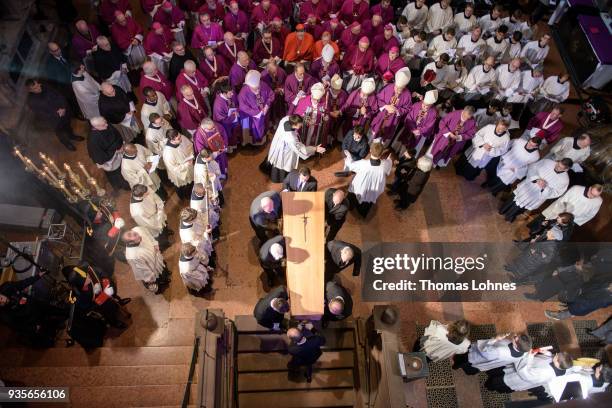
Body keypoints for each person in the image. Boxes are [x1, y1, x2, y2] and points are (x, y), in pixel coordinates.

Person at [499, 158, 572, 223]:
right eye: (558, 164)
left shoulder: (565, 180)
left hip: (536, 196)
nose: (556, 167)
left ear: (566, 169)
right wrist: (536, 178)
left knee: (522, 207)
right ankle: (503, 210)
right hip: (528, 186)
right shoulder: (547, 162)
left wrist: (545, 187)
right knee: (514, 197)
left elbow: (557, 193)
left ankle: (510, 216)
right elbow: (533, 167)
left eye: (560, 167)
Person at [62, 263, 129, 330]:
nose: (87, 279)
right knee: (107, 306)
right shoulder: (76, 292)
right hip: (97, 303)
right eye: (85, 282)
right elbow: (86, 306)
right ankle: (113, 322)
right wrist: (101, 296)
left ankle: (118, 302)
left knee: (111, 288)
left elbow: (102, 273)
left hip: (104, 289)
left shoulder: (86, 270)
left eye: (86, 278)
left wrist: (106, 284)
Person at [26, 79, 83, 151]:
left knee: (68, 126)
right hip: (54, 121)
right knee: (60, 133)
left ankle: (72, 136)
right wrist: (57, 113)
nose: (39, 88)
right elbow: (41, 114)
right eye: (35, 88)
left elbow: (59, 95)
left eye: (38, 85)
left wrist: (63, 107)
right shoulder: (31, 101)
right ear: (30, 91)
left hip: (64, 112)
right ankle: (67, 143)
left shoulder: (45, 86)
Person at [264, 115, 325, 182]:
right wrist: (315, 149)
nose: (300, 126)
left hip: (277, 144)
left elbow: (294, 117)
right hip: (285, 151)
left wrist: (304, 118)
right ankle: (280, 178)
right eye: (299, 126)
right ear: (294, 124)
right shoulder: (291, 138)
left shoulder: (285, 119)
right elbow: (302, 149)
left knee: (276, 160)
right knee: (283, 163)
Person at [486, 351, 574, 394]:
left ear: (558, 363)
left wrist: (530, 358)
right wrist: (547, 353)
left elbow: (524, 373)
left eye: (557, 355)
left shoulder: (545, 373)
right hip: (520, 370)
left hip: (517, 378)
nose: (555, 354)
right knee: (503, 372)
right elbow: (549, 358)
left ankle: (489, 386)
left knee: (498, 381)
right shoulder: (561, 366)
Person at [346, 142, 392, 218]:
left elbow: (351, 165)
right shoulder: (385, 164)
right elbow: (389, 163)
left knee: (353, 197)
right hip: (372, 190)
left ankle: (350, 207)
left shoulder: (362, 163)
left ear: (370, 150)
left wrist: (349, 157)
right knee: (367, 202)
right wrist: (389, 159)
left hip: (359, 188)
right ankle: (362, 213)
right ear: (381, 154)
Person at [453, 333, 532, 375]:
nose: (514, 336)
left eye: (515, 338)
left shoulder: (500, 351)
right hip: (490, 363)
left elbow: (484, 351)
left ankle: (455, 365)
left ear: (516, 345)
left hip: (475, 358)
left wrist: (496, 339)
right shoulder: (523, 353)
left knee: (462, 360)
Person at [123, 226, 170, 293]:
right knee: (159, 278)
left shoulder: (137, 229)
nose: (140, 236)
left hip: (156, 255)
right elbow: (142, 270)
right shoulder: (132, 256)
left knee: (163, 267)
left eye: (137, 234)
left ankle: (165, 275)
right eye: (138, 238)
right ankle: (162, 283)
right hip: (151, 268)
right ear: (131, 243)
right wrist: (150, 278)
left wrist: (154, 243)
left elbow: (148, 235)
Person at [370, 68, 412, 143]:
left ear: (404, 87)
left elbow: (408, 108)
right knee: (374, 134)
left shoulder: (407, 94)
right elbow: (378, 98)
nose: (398, 91)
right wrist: (385, 106)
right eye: (397, 88)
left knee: (384, 138)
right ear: (395, 83)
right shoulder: (388, 87)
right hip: (382, 116)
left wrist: (397, 110)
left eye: (401, 89)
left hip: (393, 120)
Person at [88, 116, 129, 190]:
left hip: (118, 151)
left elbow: (117, 134)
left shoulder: (106, 125)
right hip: (110, 160)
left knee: (123, 167)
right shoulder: (93, 140)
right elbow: (100, 157)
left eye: (105, 122)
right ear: (96, 127)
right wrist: (115, 151)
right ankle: (120, 185)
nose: (107, 125)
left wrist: (120, 146)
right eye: (104, 124)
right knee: (116, 174)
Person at [238, 70, 274, 145]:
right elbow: (242, 106)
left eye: (258, 87)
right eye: (254, 88)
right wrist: (256, 113)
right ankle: (251, 142)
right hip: (250, 116)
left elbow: (271, 94)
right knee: (249, 129)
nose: (257, 89)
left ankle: (262, 140)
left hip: (264, 112)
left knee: (263, 127)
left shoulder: (263, 85)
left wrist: (267, 105)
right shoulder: (243, 92)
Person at [129, 184, 169, 248]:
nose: (148, 193)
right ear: (140, 196)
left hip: (157, 213)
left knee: (165, 224)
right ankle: (165, 244)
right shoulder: (136, 211)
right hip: (153, 221)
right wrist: (158, 221)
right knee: (160, 236)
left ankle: (167, 232)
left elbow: (153, 195)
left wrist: (159, 206)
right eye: (146, 194)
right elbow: (148, 223)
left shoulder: (143, 189)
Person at [401, 90, 439, 157]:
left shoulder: (434, 112)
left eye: (427, 106)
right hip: (409, 129)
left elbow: (429, 126)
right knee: (401, 145)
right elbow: (409, 116)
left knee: (412, 149)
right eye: (424, 104)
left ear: (431, 104)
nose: (424, 106)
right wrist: (413, 128)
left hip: (419, 134)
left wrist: (419, 130)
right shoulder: (417, 105)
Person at [162, 129, 194, 199]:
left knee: (191, 183)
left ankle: (191, 193)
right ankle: (183, 197)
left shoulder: (181, 137)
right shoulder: (168, 153)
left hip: (189, 165)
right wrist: (186, 165)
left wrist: (190, 154)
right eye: (178, 139)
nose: (181, 139)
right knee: (182, 187)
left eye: (180, 136)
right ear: (172, 140)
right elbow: (174, 168)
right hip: (180, 173)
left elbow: (189, 145)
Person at [212, 81, 241, 150]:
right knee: (228, 135)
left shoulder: (228, 96)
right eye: (230, 93)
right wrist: (233, 116)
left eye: (232, 92)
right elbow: (221, 119)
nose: (232, 94)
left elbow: (234, 104)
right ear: (224, 93)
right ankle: (230, 148)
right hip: (224, 124)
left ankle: (236, 142)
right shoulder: (218, 104)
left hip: (231, 118)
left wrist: (236, 111)